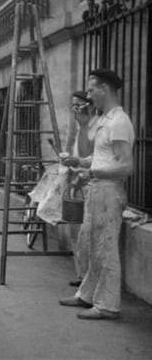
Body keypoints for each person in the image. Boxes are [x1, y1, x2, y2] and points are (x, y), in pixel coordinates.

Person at [59, 69, 134, 320]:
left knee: (106, 248)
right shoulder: (105, 119)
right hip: (97, 190)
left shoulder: (119, 122)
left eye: (91, 90)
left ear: (104, 89)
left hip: (109, 193)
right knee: (92, 246)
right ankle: (87, 295)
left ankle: (108, 305)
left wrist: (92, 173)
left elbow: (126, 165)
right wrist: (81, 162)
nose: (88, 95)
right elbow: (100, 156)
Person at [68, 90, 99, 287]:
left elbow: (91, 157)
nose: (74, 109)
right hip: (76, 182)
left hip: (90, 183)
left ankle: (88, 278)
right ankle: (81, 275)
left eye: (78, 105)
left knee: (86, 235)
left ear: (90, 106)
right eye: (72, 105)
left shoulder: (96, 126)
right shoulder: (81, 126)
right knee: (74, 229)